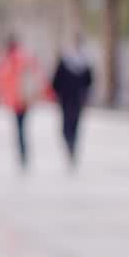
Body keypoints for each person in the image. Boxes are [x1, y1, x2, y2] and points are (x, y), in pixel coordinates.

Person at [0, 35, 46, 170]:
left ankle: (23, 154)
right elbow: (37, 76)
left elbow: (2, 80)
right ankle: (23, 154)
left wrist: (3, 96)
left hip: (17, 100)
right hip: (24, 99)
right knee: (22, 128)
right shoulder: (25, 57)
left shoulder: (9, 60)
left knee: (20, 128)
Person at [51, 34, 94, 169]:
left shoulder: (82, 61)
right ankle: (71, 145)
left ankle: (72, 146)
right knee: (68, 126)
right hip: (69, 98)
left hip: (73, 99)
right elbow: (57, 80)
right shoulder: (69, 60)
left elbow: (89, 81)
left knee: (72, 125)